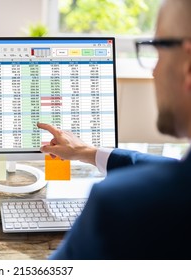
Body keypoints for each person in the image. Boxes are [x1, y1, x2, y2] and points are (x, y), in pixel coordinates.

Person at [38, 0, 191, 259]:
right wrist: (89, 152)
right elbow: (174, 168)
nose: (154, 71)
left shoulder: (120, 207)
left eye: (158, 49)